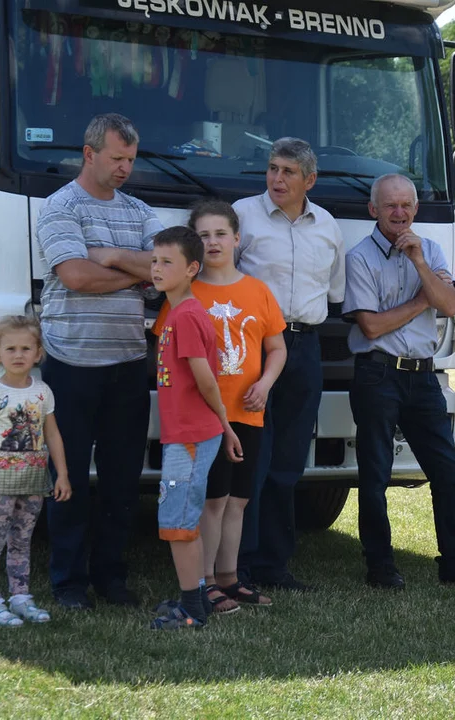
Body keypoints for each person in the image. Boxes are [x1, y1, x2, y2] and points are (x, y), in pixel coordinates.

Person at [344, 173, 455, 591]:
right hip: (377, 374)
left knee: (449, 469)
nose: (399, 213)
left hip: (423, 375)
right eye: (390, 205)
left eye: (406, 205)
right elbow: (373, 327)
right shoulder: (359, 257)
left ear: (415, 210)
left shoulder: (429, 249)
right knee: (375, 475)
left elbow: (451, 305)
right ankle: (380, 566)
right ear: (373, 210)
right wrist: (422, 300)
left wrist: (418, 262)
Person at [36, 113, 161, 610]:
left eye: (131, 159)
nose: (125, 168)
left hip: (129, 362)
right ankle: (68, 583)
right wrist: (136, 270)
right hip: (70, 363)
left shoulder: (140, 210)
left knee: (121, 478)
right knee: (66, 477)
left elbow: (167, 269)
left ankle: (111, 577)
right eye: (117, 159)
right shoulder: (59, 207)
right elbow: (76, 278)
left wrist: (108, 256)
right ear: (89, 154)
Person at [233, 138, 345, 592]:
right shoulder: (242, 215)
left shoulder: (329, 227)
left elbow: (334, 294)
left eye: (288, 172)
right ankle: (236, 567)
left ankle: (274, 567)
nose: (277, 179)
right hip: (252, 348)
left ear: (309, 180)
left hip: (305, 350)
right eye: (272, 169)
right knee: (249, 461)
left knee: (288, 462)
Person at [189, 200, 287, 613]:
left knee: (238, 499)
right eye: (203, 235)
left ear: (236, 239)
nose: (212, 242)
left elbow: (277, 347)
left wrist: (265, 384)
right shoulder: (186, 292)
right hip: (207, 415)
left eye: (219, 234)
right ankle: (204, 580)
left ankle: (229, 577)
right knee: (212, 499)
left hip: (248, 412)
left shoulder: (258, 291)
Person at [149, 227, 242, 630]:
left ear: (191, 269)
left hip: (189, 437)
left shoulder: (187, 315)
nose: (156, 268)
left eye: (166, 262)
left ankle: (191, 611)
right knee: (182, 520)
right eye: (154, 260)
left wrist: (224, 424)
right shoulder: (178, 311)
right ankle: (195, 599)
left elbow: (206, 380)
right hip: (185, 434)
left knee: (178, 524)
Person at [0, 315, 72, 627]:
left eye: (26, 348)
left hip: (35, 480)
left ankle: (21, 598)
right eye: (11, 349)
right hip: (0, 482)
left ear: (38, 353)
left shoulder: (42, 392)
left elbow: (52, 435)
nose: (19, 355)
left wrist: (61, 474)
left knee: (23, 540)